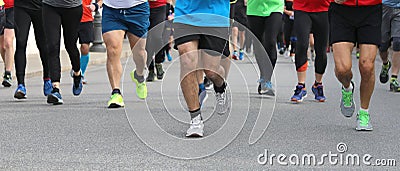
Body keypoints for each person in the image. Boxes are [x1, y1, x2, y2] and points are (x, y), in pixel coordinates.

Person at [174, 0, 230, 137]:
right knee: (187, 61)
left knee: (211, 70)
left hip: (215, 15)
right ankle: (195, 119)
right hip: (185, 13)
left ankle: (220, 86)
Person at [330, 0, 382, 131]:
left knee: (367, 66)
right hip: (341, 9)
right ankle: (347, 87)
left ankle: (364, 113)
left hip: (371, 9)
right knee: (342, 70)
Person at [102, 0, 149, 108]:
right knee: (112, 49)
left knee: (140, 53)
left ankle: (139, 75)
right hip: (111, 10)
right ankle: (116, 92)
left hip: (138, 9)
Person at [42, 0, 83, 105]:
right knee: (52, 46)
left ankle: (77, 73)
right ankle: (55, 89)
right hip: (50, 6)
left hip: (73, 8)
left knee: (70, 45)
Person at [290, 0, 330, 103]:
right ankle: (301, 85)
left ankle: (318, 84)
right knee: (302, 45)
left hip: (324, 8)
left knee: (321, 50)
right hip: (302, 7)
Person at [13, 0, 52, 99]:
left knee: (43, 46)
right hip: (21, 6)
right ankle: (21, 85)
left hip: (41, 7)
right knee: (20, 43)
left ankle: (47, 79)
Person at [247, 0, 284, 95]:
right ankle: (264, 77)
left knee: (271, 42)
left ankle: (266, 79)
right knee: (258, 43)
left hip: (275, 6)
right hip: (254, 8)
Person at [74, 0, 102, 84]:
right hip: (71, 19)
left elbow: (101, 1)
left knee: (85, 47)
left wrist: (96, 5)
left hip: (86, 20)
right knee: (71, 46)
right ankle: (75, 65)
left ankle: (81, 73)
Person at [379, 0, 400, 92]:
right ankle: (385, 64)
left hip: (398, 8)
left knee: (397, 42)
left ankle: (394, 78)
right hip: (384, 7)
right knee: (383, 45)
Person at [146, 0, 167, 82]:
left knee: (157, 37)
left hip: (159, 6)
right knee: (146, 41)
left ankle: (158, 62)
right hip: (143, 7)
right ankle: (150, 70)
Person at [0, 0, 14, 87]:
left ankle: (8, 73)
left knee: (8, 42)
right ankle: (7, 67)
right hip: (1, 7)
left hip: (13, 8)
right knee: (2, 45)